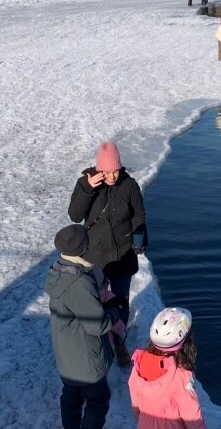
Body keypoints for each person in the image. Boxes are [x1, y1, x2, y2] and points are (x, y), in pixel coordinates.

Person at [68, 141, 148, 366]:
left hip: (123, 254)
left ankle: (120, 342)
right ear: (99, 169)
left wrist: (140, 239)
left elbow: (138, 216)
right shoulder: (87, 184)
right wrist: (87, 188)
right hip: (96, 258)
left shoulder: (129, 185)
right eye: (107, 172)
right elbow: (75, 215)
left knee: (120, 301)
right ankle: (99, 341)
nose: (112, 176)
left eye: (115, 171)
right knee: (96, 303)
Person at [46, 224, 127, 429]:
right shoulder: (79, 281)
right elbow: (97, 325)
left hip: (67, 354)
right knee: (98, 401)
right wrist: (115, 310)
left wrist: (102, 305)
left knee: (71, 397)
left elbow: (79, 308)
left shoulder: (58, 269)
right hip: (85, 358)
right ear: (83, 247)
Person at [128, 307, 206, 429]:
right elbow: (192, 418)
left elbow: (136, 407)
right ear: (186, 342)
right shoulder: (180, 376)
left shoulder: (138, 365)